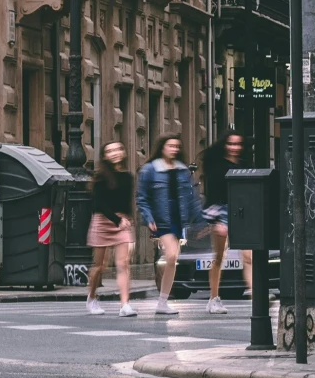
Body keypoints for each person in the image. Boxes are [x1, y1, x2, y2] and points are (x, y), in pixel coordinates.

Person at [135, 130, 201, 314]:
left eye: (176, 146)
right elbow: (142, 198)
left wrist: (201, 221)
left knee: (173, 260)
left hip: (178, 218)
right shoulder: (150, 169)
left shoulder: (182, 170)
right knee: (171, 256)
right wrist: (148, 218)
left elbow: (191, 197)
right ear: (162, 148)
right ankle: (162, 300)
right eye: (170, 146)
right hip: (161, 218)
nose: (174, 149)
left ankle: (162, 301)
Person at [84, 140, 136, 316]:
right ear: (105, 156)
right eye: (110, 151)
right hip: (103, 220)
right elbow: (100, 203)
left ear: (123, 153)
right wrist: (117, 220)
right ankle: (91, 297)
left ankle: (125, 305)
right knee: (100, 266)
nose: (115, 153)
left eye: (118, 149)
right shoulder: (100, 177)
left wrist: (129, 221)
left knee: (123, 264)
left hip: (122, 222)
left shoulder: (128, 176)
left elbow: (127, 202)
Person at [200, 128, 251, 313]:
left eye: (238, 144)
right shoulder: (216, 166)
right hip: (221, 211)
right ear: (224, 145)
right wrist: (215, 220)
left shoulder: (246, 165)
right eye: (231, 144)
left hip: (241, 212)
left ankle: (255, 294)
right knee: (220, 257)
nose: (234, 148)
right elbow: (212, 194)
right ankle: (213, 298)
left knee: (249, 257)